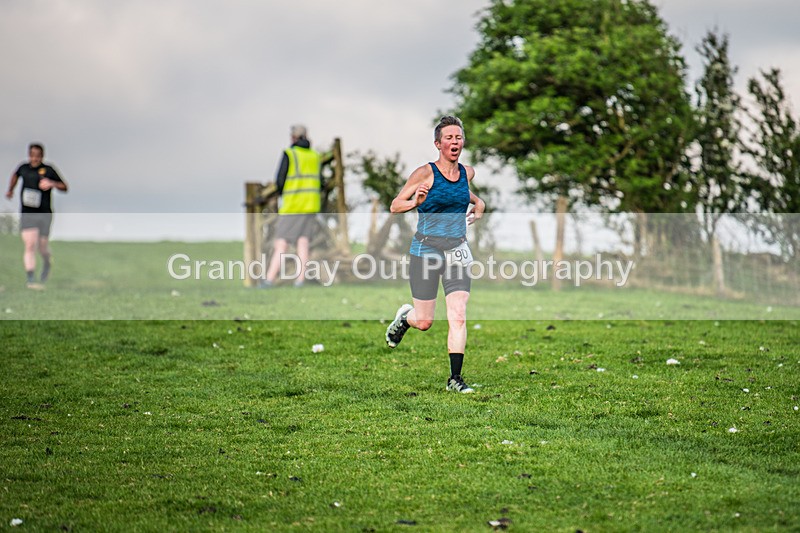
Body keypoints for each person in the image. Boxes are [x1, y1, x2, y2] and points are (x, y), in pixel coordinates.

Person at [385, 116, 486, 393]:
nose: (455, 142)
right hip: (426, 250)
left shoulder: (467, 172)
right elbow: (395, 205)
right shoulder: (425, 173)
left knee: (458, 314)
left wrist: (479, 202)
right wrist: (416, 202)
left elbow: (464, 192)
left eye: (459, 137)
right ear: (438, 144)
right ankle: (406, 318)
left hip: (457, 250)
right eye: (449, 138)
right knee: (425, 321)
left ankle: (455, 379)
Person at [262, 125, 323, 287]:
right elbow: (321, 182)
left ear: (293, 137)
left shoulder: (290, 154)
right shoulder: (315, 156)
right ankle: (300, 280)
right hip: (311, 205)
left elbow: (280, 181)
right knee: (303, 243)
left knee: (281, 243)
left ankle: (269, 280)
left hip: (293, 205)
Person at [5, 143, 69, 290]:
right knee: (29, 244)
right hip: (28, 213)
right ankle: (31, 279)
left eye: (37, 156)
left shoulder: (48, 170)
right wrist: (10, 190)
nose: (34, 159)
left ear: (42, 156)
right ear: (29, 155)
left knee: (42, 247)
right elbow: (15, 176)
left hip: (44, 213)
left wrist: (51, 183)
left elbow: (65, 186)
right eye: (32, 156)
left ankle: (47, 261)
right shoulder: (24, 168)